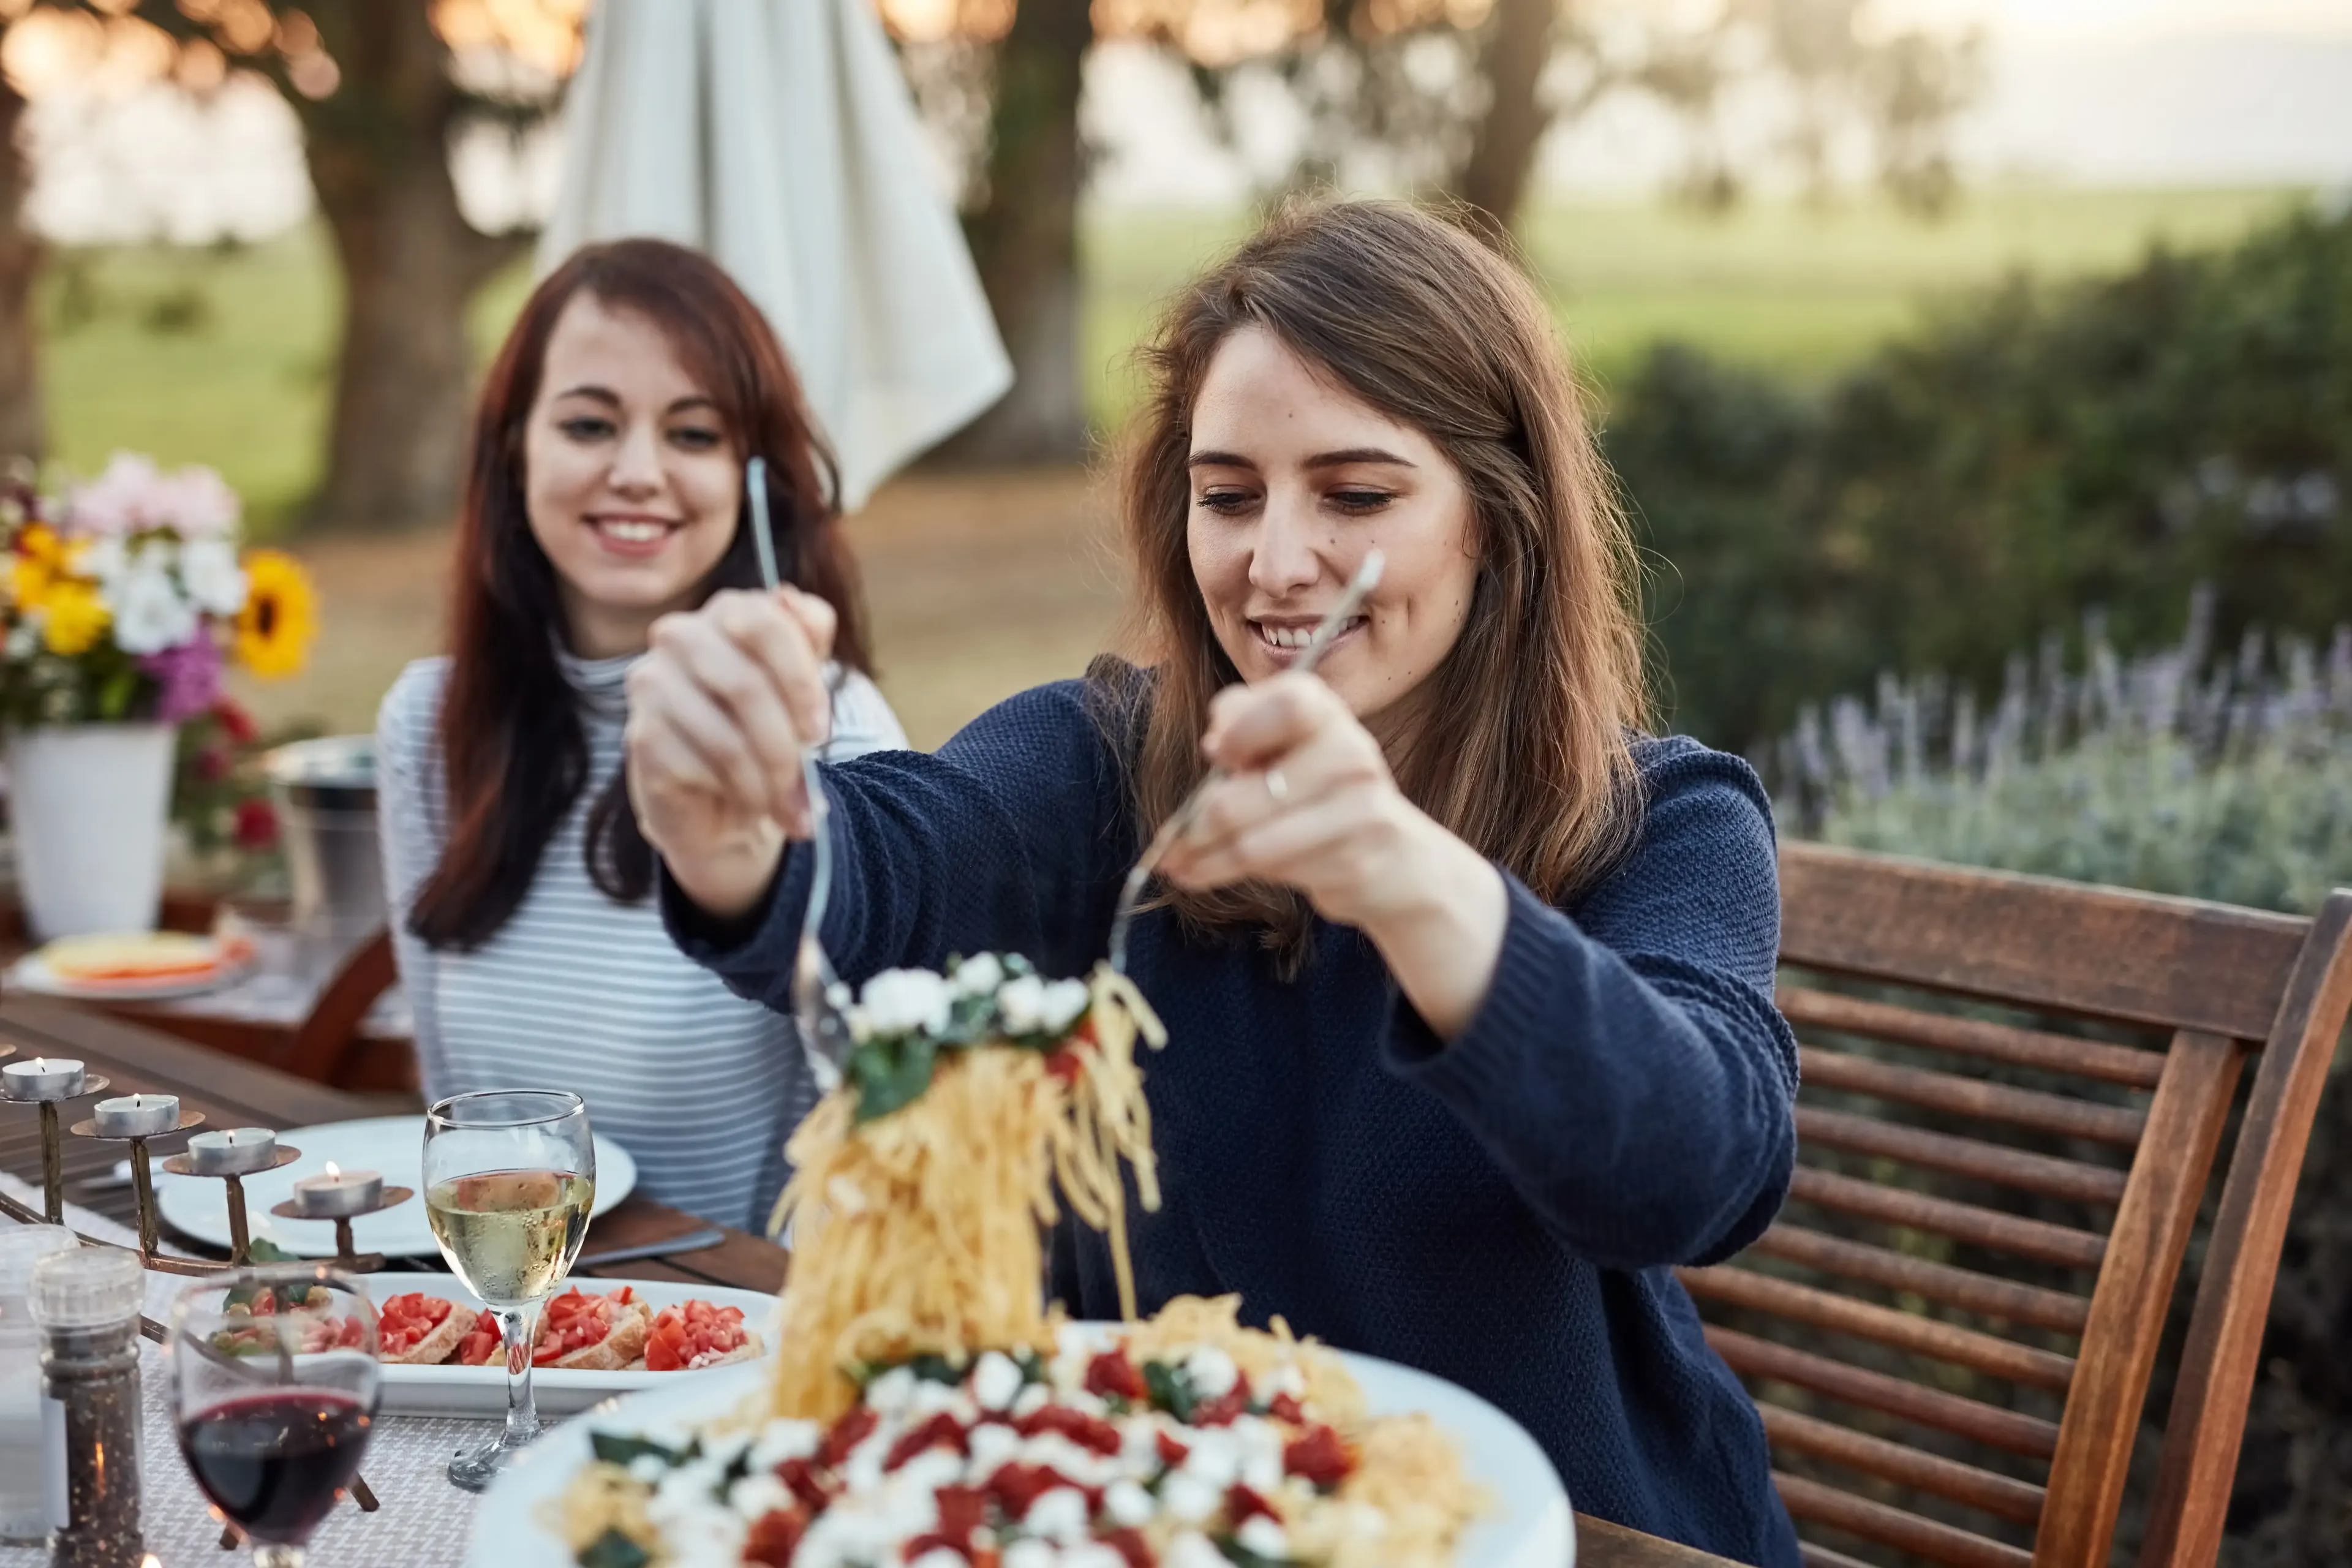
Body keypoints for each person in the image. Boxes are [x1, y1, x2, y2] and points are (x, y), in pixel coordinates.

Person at [625, 202, 1800, 1564]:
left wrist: (1409, 879)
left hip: (1581, 1533)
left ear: (1501, 517)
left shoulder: (1665, 823)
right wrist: (738, 839)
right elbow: (893, 857)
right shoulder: (1101, 766)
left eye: (1357, 496)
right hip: (1169, 1517)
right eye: (1228, 493)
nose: (1277, 563)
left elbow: (1695, 1169)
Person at [375, 238, 907, 1231]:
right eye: (589, 424)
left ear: (756, 477)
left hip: (743, 1331)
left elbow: (878, 1125)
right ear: (514, 450)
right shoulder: (426, 727)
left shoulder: (833, 730)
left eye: (694, 434)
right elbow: (451, 1111)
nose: (636, 472)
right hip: (518, 1311)